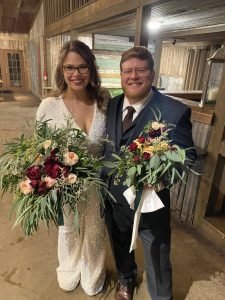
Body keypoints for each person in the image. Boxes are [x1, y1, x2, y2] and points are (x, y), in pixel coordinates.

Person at [103, 46, 196, 300]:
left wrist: (160, 175)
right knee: (120, 242)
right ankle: (126, 279)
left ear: (152, 74)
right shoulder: (112, 104)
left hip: (150, 200)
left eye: (140, 70)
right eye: (127, 71)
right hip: (114, 196)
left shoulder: (173, 110)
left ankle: (161, 296)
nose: (133, 76)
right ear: (120, 75)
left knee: (157, 252)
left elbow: (187, 155)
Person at [36, 40, 110, 296]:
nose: (75, 74)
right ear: (61, 70)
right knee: (68, 227)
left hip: (98, 182)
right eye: (69, 68)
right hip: (65, 182)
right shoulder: (49, 105)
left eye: (82, 67)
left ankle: (93, 271)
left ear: (91, 69)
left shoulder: (104, 101)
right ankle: (69, 267)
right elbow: (40, 147)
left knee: (95, 229)